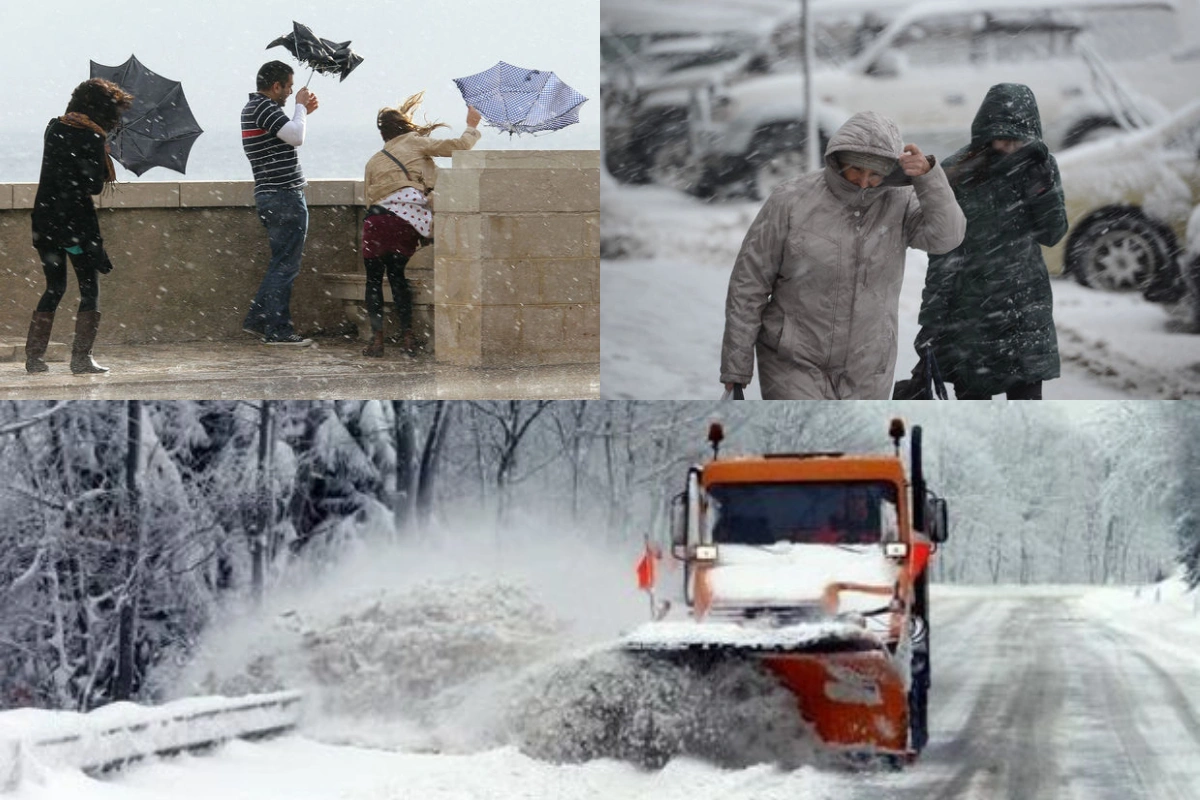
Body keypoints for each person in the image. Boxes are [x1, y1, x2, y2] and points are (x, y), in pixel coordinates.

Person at [720, 111, 966, 399]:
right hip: (792, 361)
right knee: (807, 443)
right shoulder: (790, 200)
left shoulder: (899, 202)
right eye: (855, 170)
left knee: (856, 445)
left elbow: (947, 237)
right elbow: (749, 284)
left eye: (875, 174)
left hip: (868, 365)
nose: (863, 182)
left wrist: (928, 179)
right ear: (837, 161)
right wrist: (736, 368)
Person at [913, 83, 1068, 400]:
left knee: (1027, 418)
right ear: (984, 132)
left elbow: (1053, 234)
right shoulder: (957, 173)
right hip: (970, 314)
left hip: (1024, 311)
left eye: (1018, 138)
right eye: (1003, 136)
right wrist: (930, 324)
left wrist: (1041, 187)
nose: (1011, 146)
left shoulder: (1039, 166)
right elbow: (943, 253)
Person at [24, 78, 132, 374]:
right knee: (89, 288)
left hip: (45, 221)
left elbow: (59, 173)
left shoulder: (53, 128)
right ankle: (81, 358)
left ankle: (34, 357)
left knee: (54, 287)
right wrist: (101, 153)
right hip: (74, 227)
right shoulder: (93, 139)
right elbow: (93, 186)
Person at [360, 93, 481, 357]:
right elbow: (459, 146)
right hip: (402, 221)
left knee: (373, 281)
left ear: (383, 134)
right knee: (397, 278)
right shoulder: (415, 142)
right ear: (405, 126)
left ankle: (377, 340)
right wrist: (472, 125)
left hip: (375, 222)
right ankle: (408, 339)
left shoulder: (375, 159)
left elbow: (368, 198)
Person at [240, 60, 319, 346]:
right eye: (288, 87)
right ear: (276, 86)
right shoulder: (264, 108)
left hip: (271, 194)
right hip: (283, 194)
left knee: (280, 262)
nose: (290, 92)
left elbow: (290, 133)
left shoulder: (255, 109)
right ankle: (278, 330)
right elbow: (297, 137)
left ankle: (259, 321)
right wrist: (300, 107)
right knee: (286, 265)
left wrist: (302, 111)